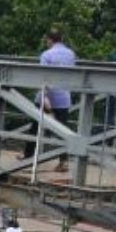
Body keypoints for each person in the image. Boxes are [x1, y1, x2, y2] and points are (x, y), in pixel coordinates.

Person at [23, 30, 77, 170]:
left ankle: (28, 155)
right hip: (64, 97)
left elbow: (43, 77)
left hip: (47, 97)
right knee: (63, 131)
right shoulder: (71, 54)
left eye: (47, 41)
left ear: (49, 40)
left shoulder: (46, 55)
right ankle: (64, 161)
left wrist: (45, 98)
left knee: (35, 126)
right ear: (61, 39)